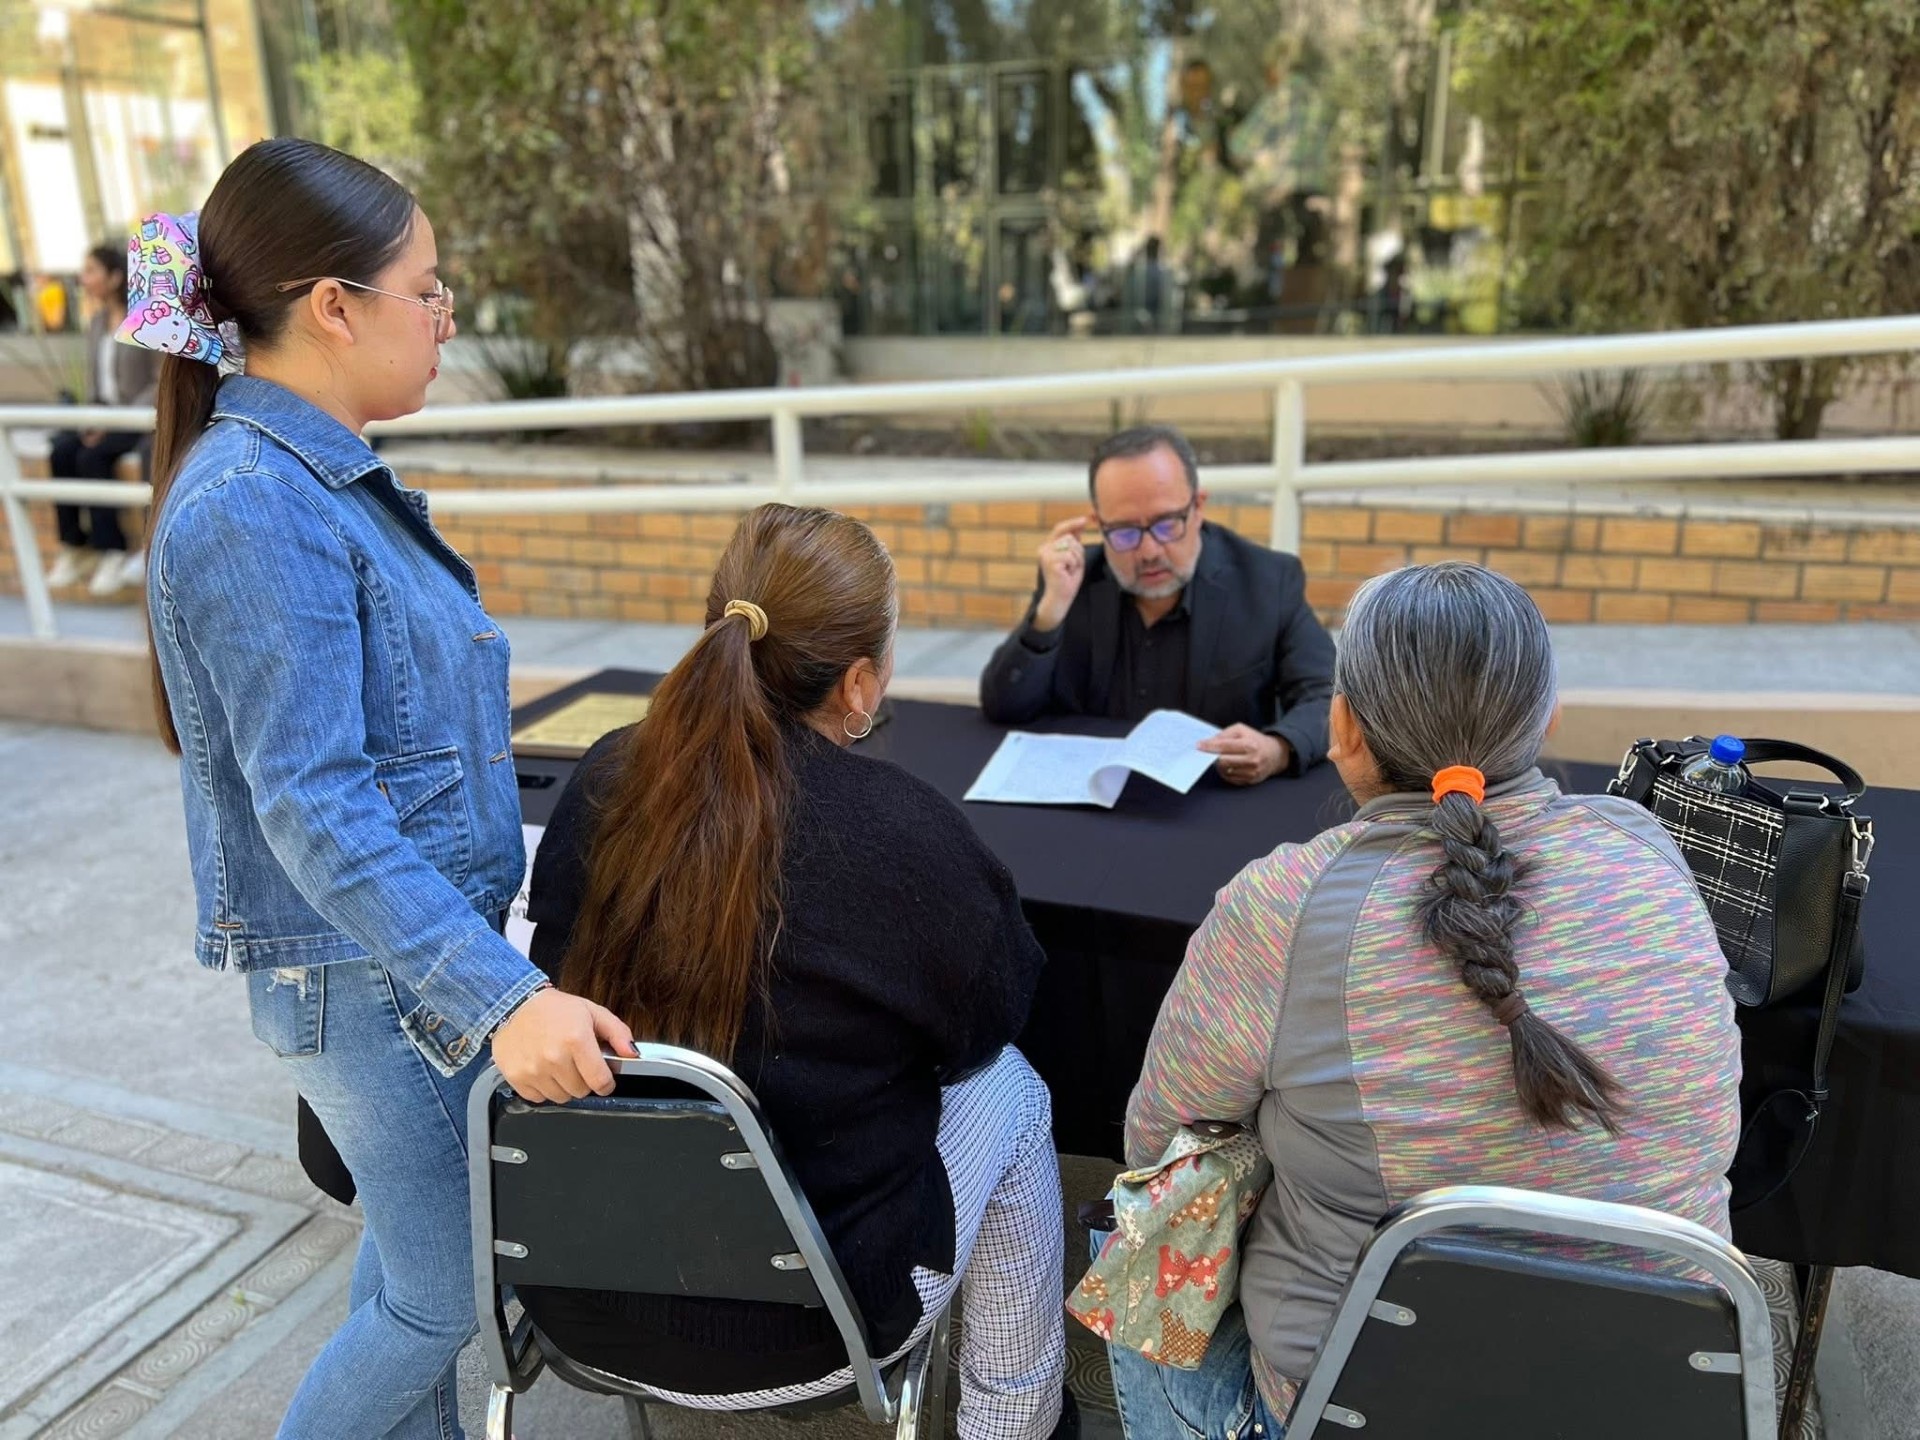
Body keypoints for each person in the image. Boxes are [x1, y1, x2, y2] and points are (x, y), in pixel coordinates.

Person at [135, 137, 636, 1440]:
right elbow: (314, 805)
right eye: (427, 289)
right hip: (367, 986)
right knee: (443, 1297)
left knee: (413, 1279)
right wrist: (505, 997)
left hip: (396, 969)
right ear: (333, 307)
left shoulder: (311, 480)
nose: (446, 316)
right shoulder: (255, 501)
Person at [1110, 562, 1742, 1439]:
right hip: (1655, 1398)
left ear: (1342, 728)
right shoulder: (1647, 854)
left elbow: (1160, 1144)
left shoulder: (1285, 909)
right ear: (1547, 717)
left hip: (1355, 1407)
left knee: (1142, 1237)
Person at [523, 503, 1072, 1440]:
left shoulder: (608, 778)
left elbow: (553, 971)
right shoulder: (906, 834)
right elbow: (989, 1019)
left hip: (578, 1299)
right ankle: (1016, 1423)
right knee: (1013, 1089)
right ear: (859, 683)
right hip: (816, 1328)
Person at [979, 424, 1335, 783]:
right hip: (1092, 791)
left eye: (1166, 525)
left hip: (1217, 795)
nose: (1149, 551)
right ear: (1098, 525)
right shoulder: (1072, 580)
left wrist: (1278, 748)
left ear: (1198, 507)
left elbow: (1331, 697)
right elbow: (1004, 706)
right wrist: (1050, 612)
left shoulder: (1267, 582)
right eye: (1125, 531)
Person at [46, 241, 159, 596]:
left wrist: (114, 422)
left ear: (114, 277)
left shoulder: (145, 317)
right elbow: (95, 384)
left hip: (136, 416)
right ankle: (74, 545)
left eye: (91, 271)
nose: (84, 279)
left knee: (91, 457)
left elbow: (158, 381)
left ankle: (112, 549)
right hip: (103, 415)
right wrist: (91, 420)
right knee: (61, 451)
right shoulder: (96, 322)